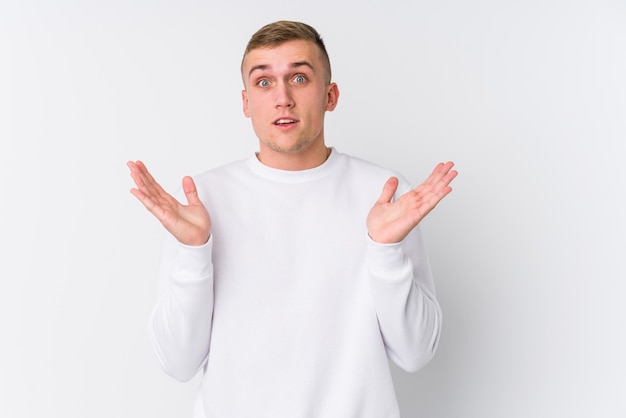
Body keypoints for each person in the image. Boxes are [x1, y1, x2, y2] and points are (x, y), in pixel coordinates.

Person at [128, 20, 457, 418]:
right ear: (246, 102)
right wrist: (194, 252)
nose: (282, 98)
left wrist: (385, 251)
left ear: (330, 96)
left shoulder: (385, 194)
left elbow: (416, 353)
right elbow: (178, 362)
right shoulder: (201, 201)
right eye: (264, 82)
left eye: (299, 77)